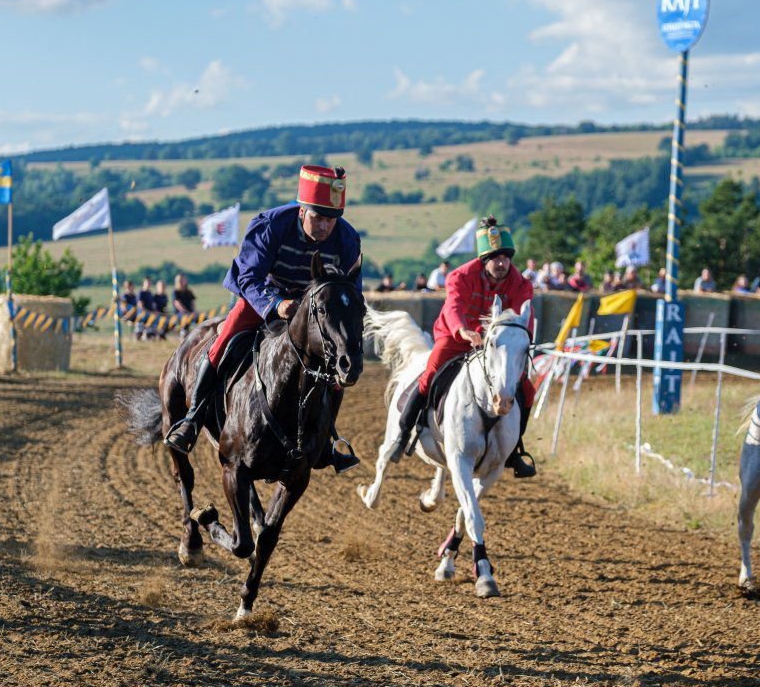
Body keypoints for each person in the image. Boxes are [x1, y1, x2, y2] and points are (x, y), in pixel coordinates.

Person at [163, 164, 362, 474]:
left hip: (311, 313)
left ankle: (326, 441)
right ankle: (192, 418)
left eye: (331, 220)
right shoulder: (270, 225)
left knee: (334, 364)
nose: (325, 227)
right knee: (222, 343)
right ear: (301, 211)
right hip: (261, 299)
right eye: (318, 218)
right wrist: (276, 304)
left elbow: (348, 290)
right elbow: (249, 276)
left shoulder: (347, 239)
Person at [389, 217, 536, 478]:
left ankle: (514, 451)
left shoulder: (521, 283)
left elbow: (524, 316)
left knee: (526, 388)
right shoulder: (460, 276)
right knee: (430, 373)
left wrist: (522, 340)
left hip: (495, 343)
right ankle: (403, 434)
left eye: (506, 257)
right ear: (483, 259)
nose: (502, 263)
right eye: (495, 258)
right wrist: (463, 330)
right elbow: (454, 307)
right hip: (456, 335)